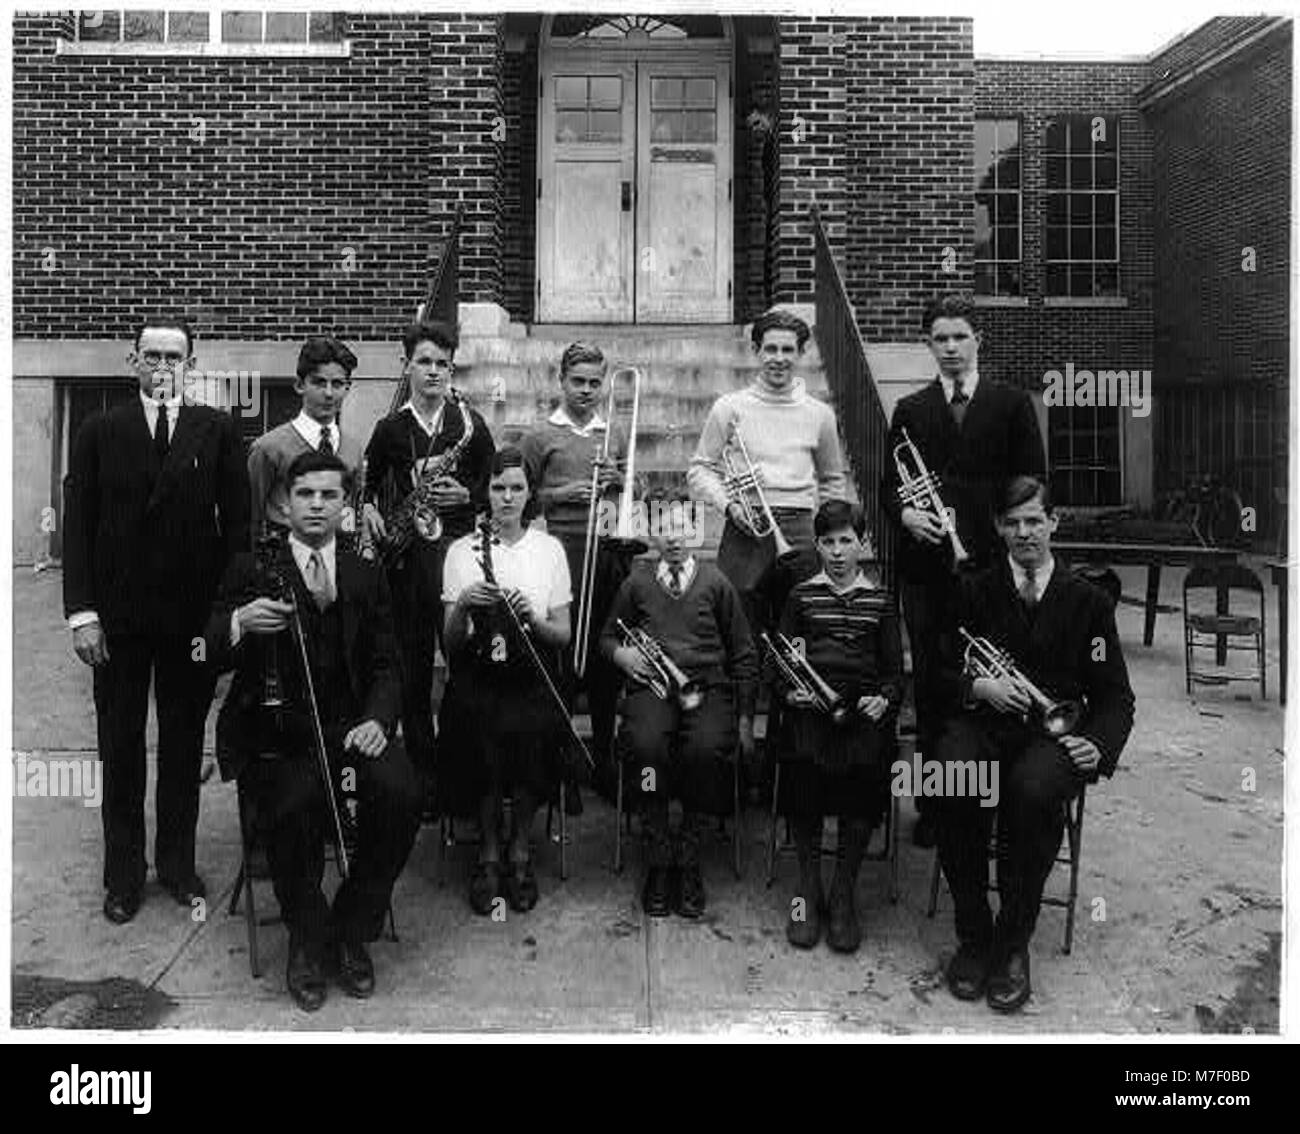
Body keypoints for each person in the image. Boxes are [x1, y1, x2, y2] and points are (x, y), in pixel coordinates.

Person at [205, 451, 420, 1012]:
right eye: (306, 495)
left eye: (329, 495)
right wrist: (236, 623)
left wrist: (378, 719)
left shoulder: (364, 572)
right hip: (278, 733)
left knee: (403, 796)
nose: (318, 505)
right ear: (285, 503)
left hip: (352, 730)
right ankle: (306, 932)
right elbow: (201, 651)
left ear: (344, 503)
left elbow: (387, 664)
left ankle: (350, 923)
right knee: (292, 805)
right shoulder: (250, 568)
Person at [63, 317, 250, 925]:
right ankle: (123, 876)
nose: (163, 365)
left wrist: (222, 614)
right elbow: (80, 527)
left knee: (180, 746)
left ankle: (175, 864)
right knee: (120, 747)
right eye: (152, 355)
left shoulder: (216, 430)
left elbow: (238, 532)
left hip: (188, 624)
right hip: (118, 622)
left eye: (175, 355)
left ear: (190, 363)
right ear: (132, 360)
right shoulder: (99, 430)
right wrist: (83, 615)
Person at [932, 476, 1134, 1013]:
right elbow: (934, 672)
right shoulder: (972, 588)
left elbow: (1115, 697)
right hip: (982, 725)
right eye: (1013, 523)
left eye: (1034, 521)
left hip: (1051, 735)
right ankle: (974, 933)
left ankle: (1013, 941)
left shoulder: (1088, 601)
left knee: (1033, 791)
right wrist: (979, 686)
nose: (1025, 533)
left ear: (1054, 523)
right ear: (998, 527)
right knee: (948, 778)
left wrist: (1099, 744)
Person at [882, 293, 1046, 848]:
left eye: (960, 337)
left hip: (991, 568)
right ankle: (934, 806)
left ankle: (993, 799)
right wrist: (906, 512)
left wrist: (1011, 542)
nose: (950, 348)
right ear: (928, 345)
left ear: (978, 340)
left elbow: (1031, 483)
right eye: (939, 339)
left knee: (995, 676)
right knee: (931, 685)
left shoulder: (1012, 404)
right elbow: (888, 486)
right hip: (926, 570)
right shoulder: (910, 409)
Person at [600, 487, 758, 920]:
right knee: (647, 751)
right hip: (652, 688)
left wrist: (744, 719)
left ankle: (688, 857)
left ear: (696, 529)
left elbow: (744, 653)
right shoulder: (636, 582)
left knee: (705, 752)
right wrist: (622, 655)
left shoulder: (717, 581)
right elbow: (608, 637)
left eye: (681, 525)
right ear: (651, 531)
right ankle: (658, 854)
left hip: (706, 690)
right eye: (663, 526)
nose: (672, 536)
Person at [360, 321, 496, 806]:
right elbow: (366, 486)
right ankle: (424, 777)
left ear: (451, 368)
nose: (434, 371)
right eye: (424, 362)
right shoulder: (390, 429)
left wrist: (471, 495)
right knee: (413, 675)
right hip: (408, 563)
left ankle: (464, 773)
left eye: (443, 363)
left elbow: (497, 486)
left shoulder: (470, 425)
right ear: (408, 366)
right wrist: (371, 510)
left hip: (457, 562)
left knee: (466, 668)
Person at [439, 447, 574, 915]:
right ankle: (489, 851)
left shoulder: (549, 550)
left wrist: (532, 618)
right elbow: (450, 645)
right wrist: (462, 607)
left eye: (516, 488)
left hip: (531, 668)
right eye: (498, 488)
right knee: (474, 727)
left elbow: (563, 633)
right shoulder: (461, 551)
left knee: (535, 729)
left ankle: (520, 849)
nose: (507, 497)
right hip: (480, 670)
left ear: (529, 493)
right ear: (486, 492)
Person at [771, 500, 903, 953]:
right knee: (802, 760)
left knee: (868, 764)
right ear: (818, 546)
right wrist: (791, 692)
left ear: (861, 544)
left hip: (860, 709)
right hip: (811, 707)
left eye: (846, 540)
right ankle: (808, 888)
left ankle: (844, 891)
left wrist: (883, 698)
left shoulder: (881, 600)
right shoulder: (801, 595)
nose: (838, 552)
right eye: (828, 542)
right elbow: (781, 665)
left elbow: (894, 675)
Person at [520, 341, 637, 802]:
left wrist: (623, 481)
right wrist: (566, 491)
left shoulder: (616, 431)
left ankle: (604, 761)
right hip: (562, 553)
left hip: (608, 551)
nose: (587, 391)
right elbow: (519, 500)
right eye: (578, 382)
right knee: (565, 663)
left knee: (607, 663)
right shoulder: (539, 436)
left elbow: (636, 492)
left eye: (594, 382)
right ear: (561, 380)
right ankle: (564, 763)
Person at [687, 308, 847, 640]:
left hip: (801, 530)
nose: (778, 358)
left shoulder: (819, 414)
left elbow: (833, 480)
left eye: (788, 350)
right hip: (746, 525)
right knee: (740, 628)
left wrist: (826, 531)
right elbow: (700, 469)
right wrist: (729, 506)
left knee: (801, 629)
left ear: (802, 354)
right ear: (756, 351)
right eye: (770, 349)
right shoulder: (729, 407)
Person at [247, 336, 364, 540]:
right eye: (319, 382)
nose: (328, 393)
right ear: (300, 385)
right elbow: (248, 517)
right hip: (282, 559)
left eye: (337, 384)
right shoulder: (268, 448)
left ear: (348, 387)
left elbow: (351, 515)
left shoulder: (353, 450)